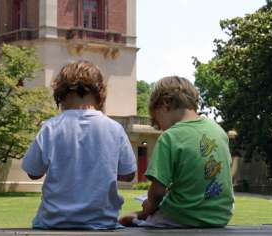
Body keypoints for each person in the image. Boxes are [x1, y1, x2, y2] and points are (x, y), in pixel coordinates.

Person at [22, 60, 136, 230]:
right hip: (102, 223)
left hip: (54, 223)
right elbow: (128, 174)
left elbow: (33, 172)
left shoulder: (50, 127)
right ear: (100, 93)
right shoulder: (114, 128)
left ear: (60, 93)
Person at [119, 76, 234, 228]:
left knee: (130, 219)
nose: (160, 127)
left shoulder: (169, 137)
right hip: (219, 217)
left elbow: (157, 193)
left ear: (165, 103)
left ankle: (135, 218)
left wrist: (148, 206)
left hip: (182, 217)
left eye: (157, 120)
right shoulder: (218, 131)